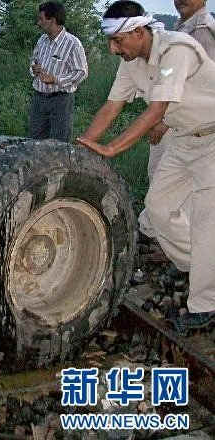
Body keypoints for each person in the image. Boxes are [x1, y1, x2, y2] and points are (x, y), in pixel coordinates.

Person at [76, 0, 215, 334]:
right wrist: (81, 149)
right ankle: (196, 266)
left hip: (213, 139)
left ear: (139, 32)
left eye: (117, 40)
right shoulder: (132, 62)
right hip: (184, 138)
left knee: (205, 222)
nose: (113, 49)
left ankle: (206, 305)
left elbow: (157, 110)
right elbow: (112, 106)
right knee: (158, 208)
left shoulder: (176, 50)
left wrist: (111, 148)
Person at [138, 0, 215, 244]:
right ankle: (162, 238)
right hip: (171, 117)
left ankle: (175, 245)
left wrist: (163, 123)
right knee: (160, 180)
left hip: (183, 124)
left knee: (175, 188)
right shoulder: (183, 27)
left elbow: (199, 90)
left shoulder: (202, 32)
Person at [28, 1, 88, 142]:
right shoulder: (42, 40)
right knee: (35, 141)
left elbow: (82, 72)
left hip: (61, 101)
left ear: (52, 20)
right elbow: (33, 61)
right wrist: (34, 68)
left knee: (59, 144)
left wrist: (55, 79)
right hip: (38, 98)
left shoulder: (73, 43)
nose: (39, 23)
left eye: (41, 19)